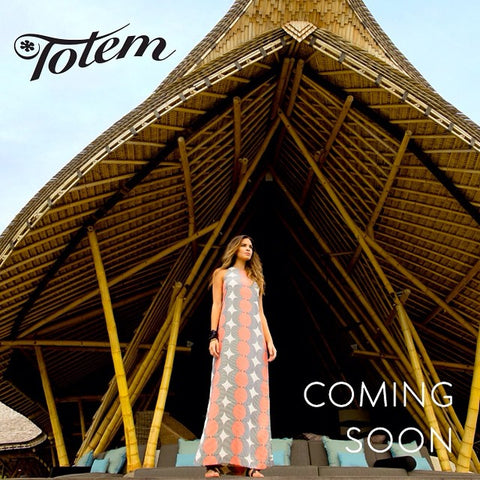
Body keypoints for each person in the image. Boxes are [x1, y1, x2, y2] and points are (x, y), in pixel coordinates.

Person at [195, 235, 277, 478]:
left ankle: (252, 463)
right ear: (235, 248)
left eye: (251, 246)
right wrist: (213, 336)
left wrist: (269, 341)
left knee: (253, 400)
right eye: (244, 245)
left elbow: (260, 313)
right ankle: (213, 462)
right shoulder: (221, 274)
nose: (248, 249)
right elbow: (216, 305)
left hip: (253, 344)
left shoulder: (255, 279)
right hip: (230, 341)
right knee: (224, 397)